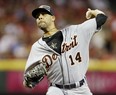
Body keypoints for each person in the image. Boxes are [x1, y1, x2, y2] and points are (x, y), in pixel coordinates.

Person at [23, 5, 107, 95]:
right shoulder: (37, 48)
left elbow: (102, 18)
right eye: (37, 16)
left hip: (81, 89)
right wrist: (28, 81)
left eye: (43, 14)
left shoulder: (76, 31)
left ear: (53, 18)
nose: (40, 17)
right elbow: (26, 82)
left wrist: (93, 12)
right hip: (56, 90)